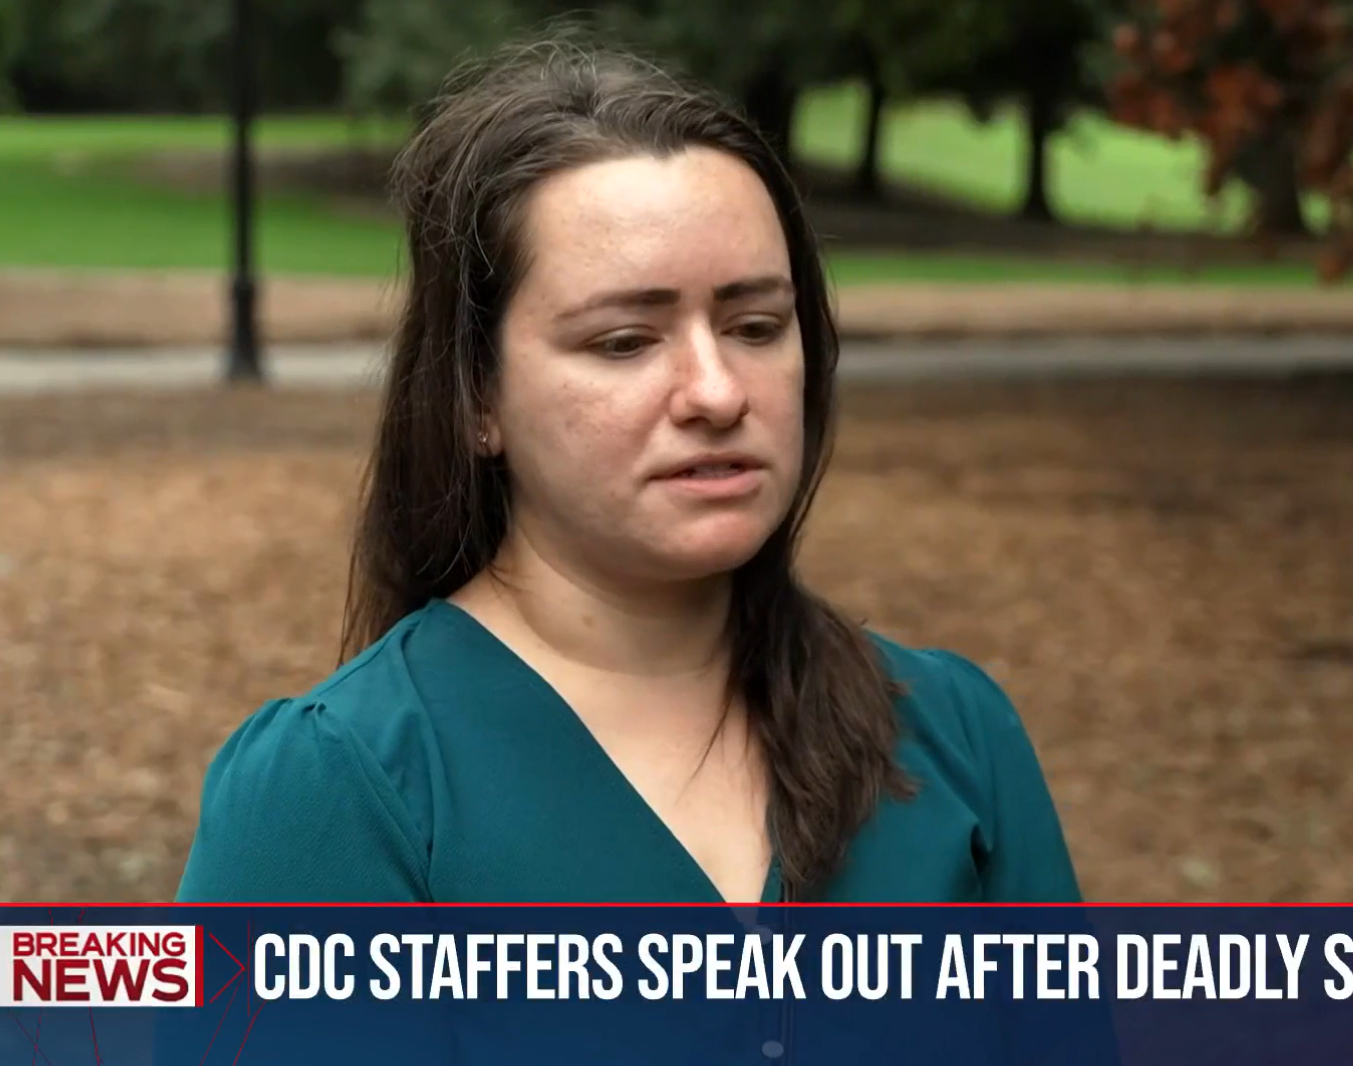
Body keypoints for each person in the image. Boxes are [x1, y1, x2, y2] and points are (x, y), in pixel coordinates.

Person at [171, 34, 1082, 907]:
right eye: (624, 341)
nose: (717, 392)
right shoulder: (337, 787)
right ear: (475, 396)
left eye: (756, 326)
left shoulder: (954, 738)